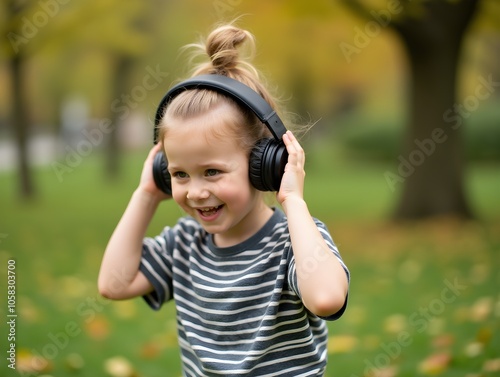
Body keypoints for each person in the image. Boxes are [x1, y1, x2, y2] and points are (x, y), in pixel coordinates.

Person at [98, 23, 350, 377]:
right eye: (179, 174)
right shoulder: (183, 244)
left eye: (212, 171)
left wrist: (293, 200)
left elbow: (326, 298)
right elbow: (114, 283)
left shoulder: (293, 241)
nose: (196, 191)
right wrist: (146, 195)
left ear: (265, 163)